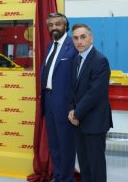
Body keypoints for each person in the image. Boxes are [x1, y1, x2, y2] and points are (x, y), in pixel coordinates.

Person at [68, 24, 113, 182]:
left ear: (91, 38)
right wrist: (71, 110)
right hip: (79, 122)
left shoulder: (100, 61)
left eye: (83, 37)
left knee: (96, 167)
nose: (79, 41)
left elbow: (94, 94)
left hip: (94, 123)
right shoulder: (76, 60)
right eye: (75, 38)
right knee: (85, 166)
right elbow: (73, 90)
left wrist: (76, 113)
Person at [40, 13, 78, 182]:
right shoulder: (50, 46)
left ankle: (66, 178)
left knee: (66, 145)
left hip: (65, 103)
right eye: (50, 25)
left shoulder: (74, 46)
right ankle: (57, 176)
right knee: (54, 144)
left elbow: (78, 79)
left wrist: (74, 106)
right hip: (48, 101)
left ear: (65, 26)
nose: (54, 27)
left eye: (57, 24)